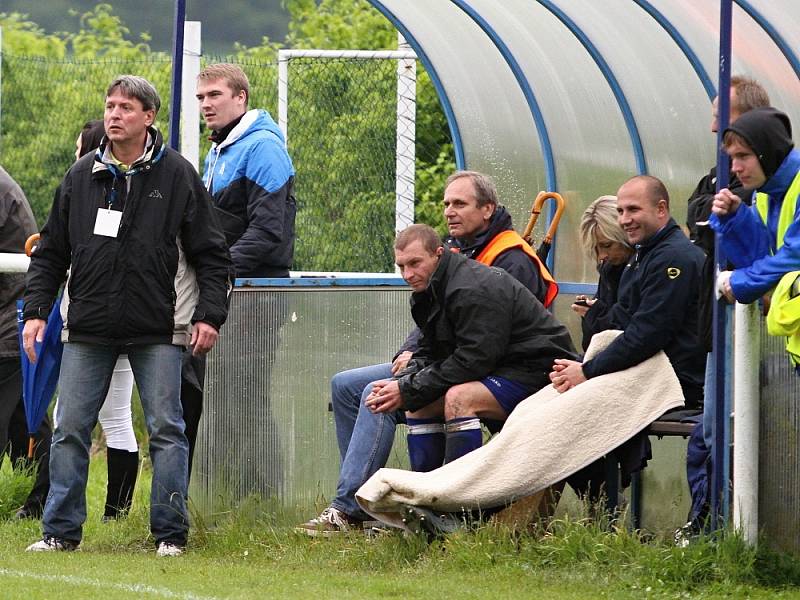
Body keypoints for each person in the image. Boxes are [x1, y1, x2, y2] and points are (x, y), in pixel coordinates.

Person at [22, 75, 232, 556]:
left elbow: (212, 254)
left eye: (125, 107)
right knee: (69, 429)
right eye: (110, 106)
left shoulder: (177, 175)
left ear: (148, 117)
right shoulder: (80, 176)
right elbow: (51, 252)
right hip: (88, 327)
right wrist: (36, 311)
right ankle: (59, 532)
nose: (114, 114)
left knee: (166, 430)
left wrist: (209, 316)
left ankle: (170, 535)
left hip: (158, 326)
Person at [297, 171, 557, 536]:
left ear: (487, 210)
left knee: (386, 394)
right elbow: (437, 330)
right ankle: (388, 506)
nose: (450, 211)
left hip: (512, 369)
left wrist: (409, 384)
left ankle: (365, 508)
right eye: (447, 203)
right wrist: (411, 356)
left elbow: (480, 352)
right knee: (347, 385)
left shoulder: (510, 258)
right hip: (469, 360)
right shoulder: (452, 255)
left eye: (460, 203)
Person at [183, 63, 297, 482]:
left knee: (247, 399)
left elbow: (268, 233)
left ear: (240, 97)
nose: (206, 105)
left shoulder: (262, 147)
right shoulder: (220, 148)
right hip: (229, 290)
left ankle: (261, 493)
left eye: (214, 95)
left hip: (257, 293)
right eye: (200, 97)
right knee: (224, 398)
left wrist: (215, 273)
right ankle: (228, 492)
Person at [678, 77, 769, 541]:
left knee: (736, 433)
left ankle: (734, 532)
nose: (713, 125)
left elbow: (727, 235)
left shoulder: (766, 186)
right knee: (710, 433)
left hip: (759, 323)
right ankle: (707, 528)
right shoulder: (714, 176)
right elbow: (699, 219)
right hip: (719, 325)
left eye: (723, 116)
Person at [550, 175, 706, 409]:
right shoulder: (643, 259)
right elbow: (623, 324)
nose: (625, 219)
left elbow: (647, 333)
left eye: (633, 209)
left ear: (661, 209)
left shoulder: (672, 259)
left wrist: (587, 370)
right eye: (621, 211)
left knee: (564, 408)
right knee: (550, 397)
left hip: (671, 380)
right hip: (648, 372)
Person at [73, 119, 139, 521]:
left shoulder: (108, 194)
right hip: (105, 317)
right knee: (111, 415)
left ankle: (113, 512)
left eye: (80, 148)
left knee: (106, 416)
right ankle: (115, 512)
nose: (76, 157)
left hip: (110, 320)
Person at [0, 165, 51, 519]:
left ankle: (41, 498)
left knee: (23, 415)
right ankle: (39, 500)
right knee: (25, 417)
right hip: (12, 318)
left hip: (8, 320)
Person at [572, 195, 633, 352]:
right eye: (596, 249)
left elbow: (636, 335)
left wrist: (597, 315)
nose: (601, 256)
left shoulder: (645, 269)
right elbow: (591, 345)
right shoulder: (610, 270)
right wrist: (590, 316)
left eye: (607, 245)